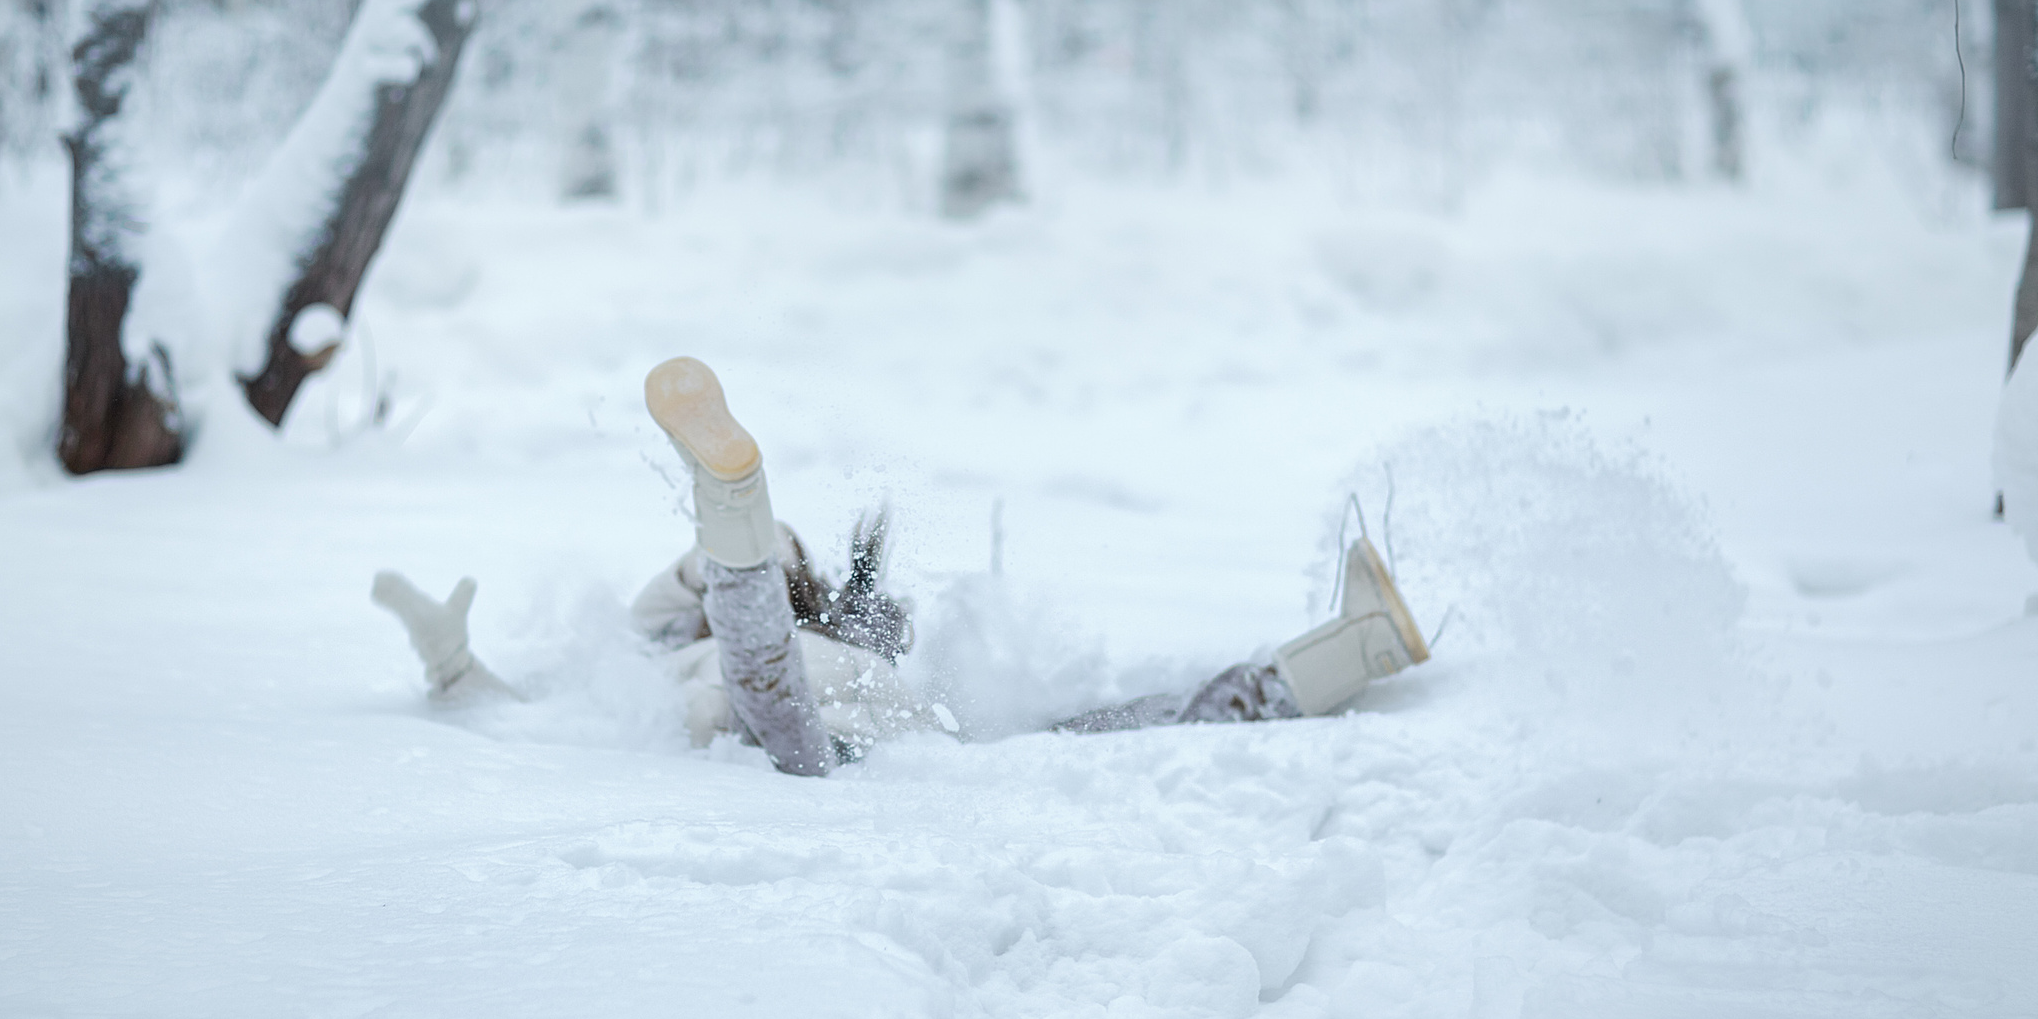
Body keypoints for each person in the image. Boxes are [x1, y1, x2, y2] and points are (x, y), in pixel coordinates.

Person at [373, 358, 1430, 775]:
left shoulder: (658, 654)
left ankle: (730, 494)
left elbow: (516, 709)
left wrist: (455, 670)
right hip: (868, 719)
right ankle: (1353, 650)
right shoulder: (851, 654)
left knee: (763, 680)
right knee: (1107, 735)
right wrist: (448, 656)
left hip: (784, 700)